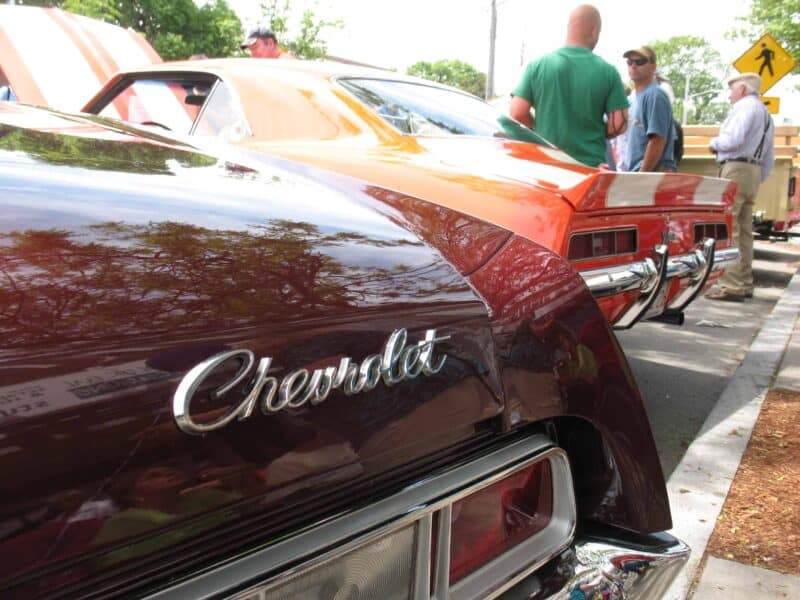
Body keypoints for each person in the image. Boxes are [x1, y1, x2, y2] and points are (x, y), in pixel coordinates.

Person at [509, 4, 628, 167]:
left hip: (547, 163)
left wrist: (542, 128)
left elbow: (517, 113)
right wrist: (595, 132)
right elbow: (619, 125)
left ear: (569, 27)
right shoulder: (609, 72)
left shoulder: (537, 66)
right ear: (594, 31)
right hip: (590, 168)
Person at [706, 72, 775, 302]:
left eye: (732, 89)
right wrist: (758, 175)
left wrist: (714, 144)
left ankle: (732, 284)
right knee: (745, 230)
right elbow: (769, 155)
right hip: (753, 169)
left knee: (730, 226)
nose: (729, 95)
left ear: (743, 89)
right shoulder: (765, 114)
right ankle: (744, 281)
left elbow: (732, 139)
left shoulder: (744, 108)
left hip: (736, 165)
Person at [623, 46, 676, 172]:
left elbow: (657, 140)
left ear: (653, 67)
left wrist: (642, 175)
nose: (633, 65)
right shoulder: (633, 99)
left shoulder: (654, 95)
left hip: (653, 172)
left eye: (640, 62)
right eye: (630, 62)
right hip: (639, 171)